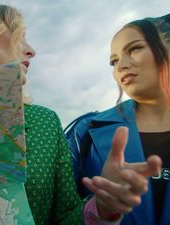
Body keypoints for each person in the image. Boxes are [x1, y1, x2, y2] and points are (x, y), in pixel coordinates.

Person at [0, 4, 161, 225]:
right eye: (19, 37)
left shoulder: (45, 122)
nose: (31, 51)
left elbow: (65, 215)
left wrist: (102, 207)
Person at [67, 14, 169, 225]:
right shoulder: (84, 131)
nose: (121, 65)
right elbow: (55, 215)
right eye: (113, 61)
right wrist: (99, 210)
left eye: (134, 49)